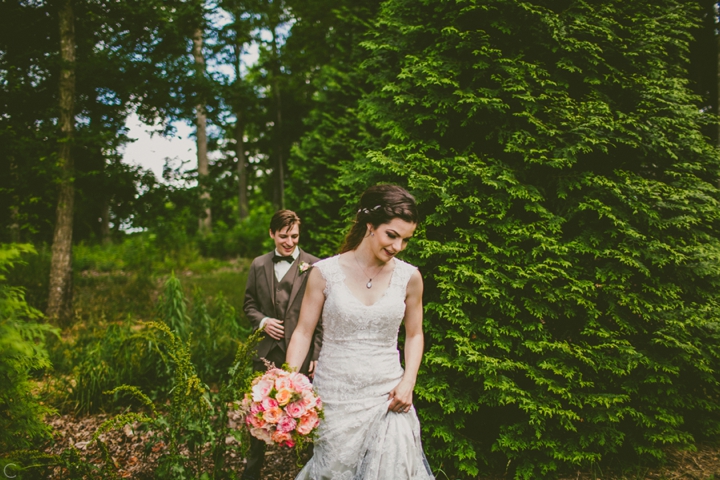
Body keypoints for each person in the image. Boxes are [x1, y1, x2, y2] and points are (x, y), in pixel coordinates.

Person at [286, 184, 434, 480]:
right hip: (336, 396)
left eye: (405, 240)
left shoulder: (410, 278)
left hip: (389, 395)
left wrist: (409, 382)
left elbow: (415, 334)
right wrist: (287, 382)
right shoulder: (324, 273)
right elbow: (303, 331)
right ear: (370, 225)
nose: (397, 247)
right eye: (391, 235)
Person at [242, 209, 321, 480]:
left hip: (302, 353)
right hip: (265, 352)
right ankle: (252, 470)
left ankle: (306, 471)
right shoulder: (258, 265)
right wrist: (263, 321)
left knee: (304, 415)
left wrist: (318, 353)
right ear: (272, 234)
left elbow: (323, 315)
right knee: (258, 412)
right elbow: (249, 304)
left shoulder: (314, 266)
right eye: (284, 236)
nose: (289, 242)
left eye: (295, 236)